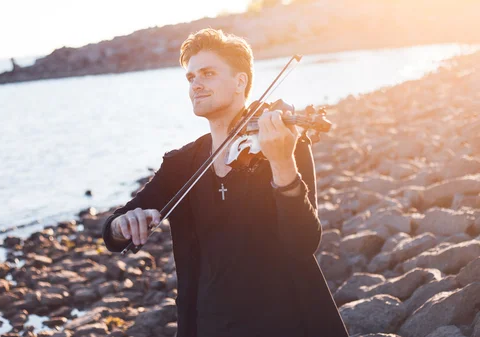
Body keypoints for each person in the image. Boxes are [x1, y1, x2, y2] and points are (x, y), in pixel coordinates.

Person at [102, 28, 349, 337]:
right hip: (208, 325)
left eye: (207, 73)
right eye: (191, 78)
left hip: (288, 321)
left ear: (240, 82)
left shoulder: (282, 144)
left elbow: (303, 242)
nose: (196, 85)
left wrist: (282, 163)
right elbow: (112, 234)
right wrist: (124, 223)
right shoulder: (182, 164)